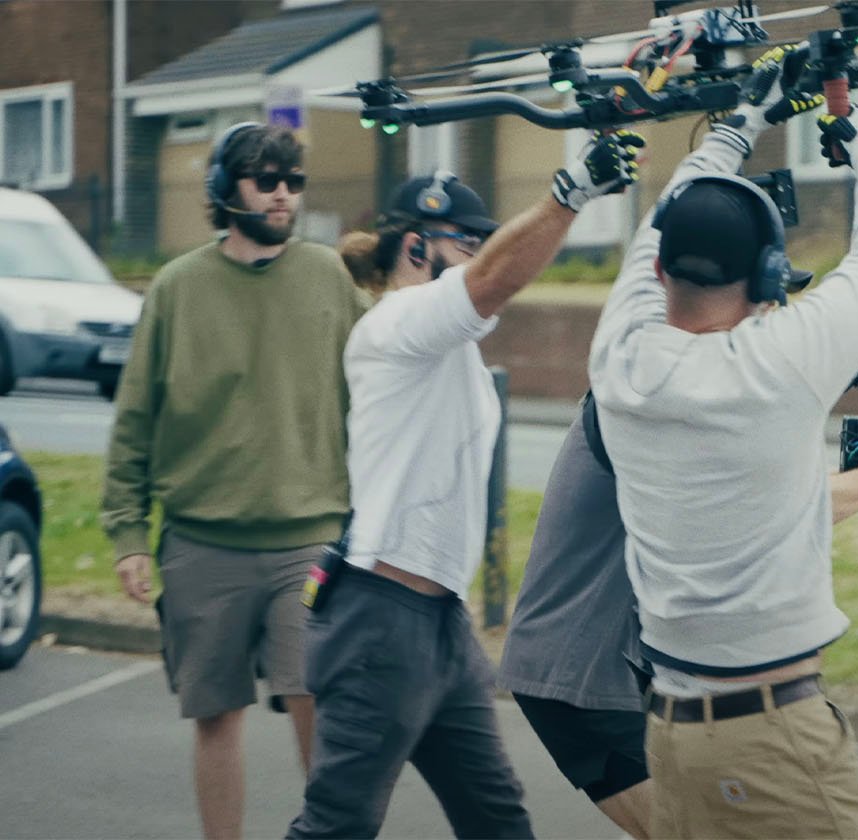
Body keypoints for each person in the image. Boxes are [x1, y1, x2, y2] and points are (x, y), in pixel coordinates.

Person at [587, 39, 858, 839]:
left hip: (670, 732)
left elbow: (658, 224)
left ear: (663, 272)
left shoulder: (619, 353)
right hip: (769, 735)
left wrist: (738, 124)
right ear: (771, 282)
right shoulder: (776, 366)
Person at [285, 131, 645, 839]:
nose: (481, 256)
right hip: (377, 621)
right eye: (466, 243)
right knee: (336, 827)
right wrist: (570, 192)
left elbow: (487, 282)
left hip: (441, 626)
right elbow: (494, 281)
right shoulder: (396, 323)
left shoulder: (446, 350)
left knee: (499, 823)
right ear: (416, 247)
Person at [501, 397, 858, 840]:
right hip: (583, 675)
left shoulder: (660, 391)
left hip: (625, 670)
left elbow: (762, 500)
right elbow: (759, 515)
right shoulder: (650, 402)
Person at [101, 122, 367, 840]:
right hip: (200, 545)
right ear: (226, 188)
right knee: (216, 718)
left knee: (316, 701)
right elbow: (135, 418)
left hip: (308, 542)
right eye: (264, 178)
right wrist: (128, 533)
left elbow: (376, 395)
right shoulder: (176, 288)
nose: (282, 193)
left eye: (293, 179)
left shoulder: (329, 278)